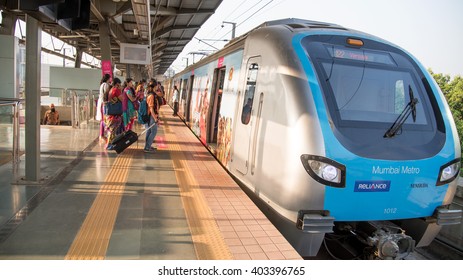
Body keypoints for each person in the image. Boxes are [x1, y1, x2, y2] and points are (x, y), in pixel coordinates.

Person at [105, 77, 123, 149]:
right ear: (117, 84)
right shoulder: (116, 90)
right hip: (115, 114)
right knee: (112, 130)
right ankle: (109, 145)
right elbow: (122, 99)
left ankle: (111, 143)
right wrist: (121, 90)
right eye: (120, 85)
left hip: (111, 113)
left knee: (112, 129)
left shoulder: (111, 90)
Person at [144, 82, 159, 153]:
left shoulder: (151, 95)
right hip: (151, 116)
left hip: (151, 116)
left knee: (149, 131)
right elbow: (151, 108)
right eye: (157, 86)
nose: (158, 88)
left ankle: (147, 146)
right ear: (154, 87)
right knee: (154, 131)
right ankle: (147, 147)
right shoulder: (151, 96)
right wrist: (155, 118)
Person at [97, 74, 111, 142]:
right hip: (104, 103)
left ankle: (102, 134)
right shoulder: (105, 85)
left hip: (101, 102)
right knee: (104, 119)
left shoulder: (102, 84)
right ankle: (102, 135)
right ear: (108, 78)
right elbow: (107, 94)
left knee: (102, 119)